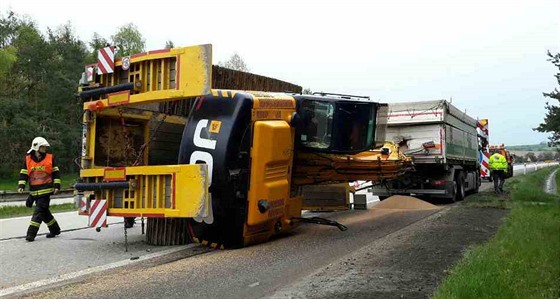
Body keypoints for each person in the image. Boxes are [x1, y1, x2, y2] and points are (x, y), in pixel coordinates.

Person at [18, 137, 61, 242]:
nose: (45, 148)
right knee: (44, 212)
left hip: (46, 191)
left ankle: (31, 234)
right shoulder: (28, 159)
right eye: (43, 147)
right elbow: (24, 173)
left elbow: (56, 172)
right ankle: (55, 230)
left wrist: (56, 186)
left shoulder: (49, 158)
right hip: (34, 192)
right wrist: (21, 186)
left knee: (38, 213)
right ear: (37, 147)